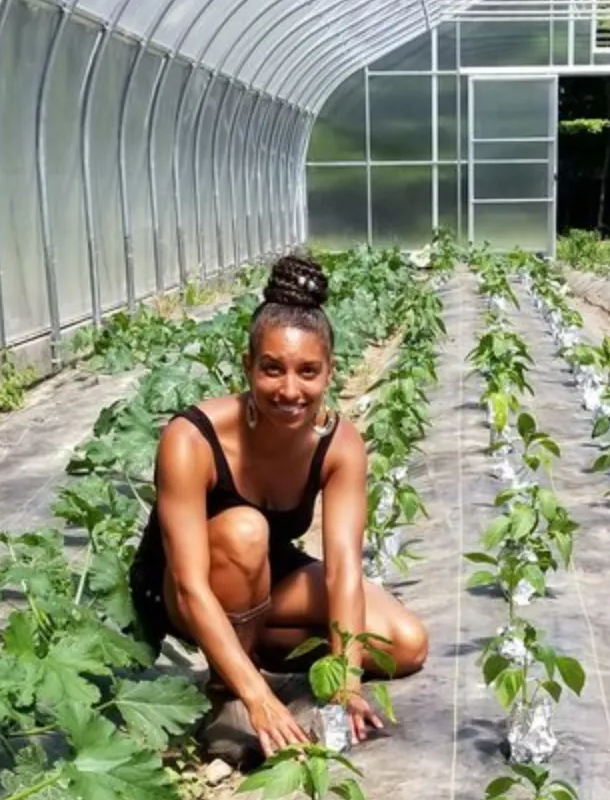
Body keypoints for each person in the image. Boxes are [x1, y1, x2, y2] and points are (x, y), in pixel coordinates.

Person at [128, 253, 428, 760]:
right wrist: (259, 698)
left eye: (308, 371)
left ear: (329, 373)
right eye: (272, 369)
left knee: (404, 642)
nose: (290, 390)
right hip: (184, 585)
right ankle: (228, 692)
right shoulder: (192, 439)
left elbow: (344, 573)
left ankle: (254, 648)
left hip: (266, 577)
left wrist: (346, 680)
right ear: (248, 367)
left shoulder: (338, 444)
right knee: (246, 530)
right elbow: (189, 584)